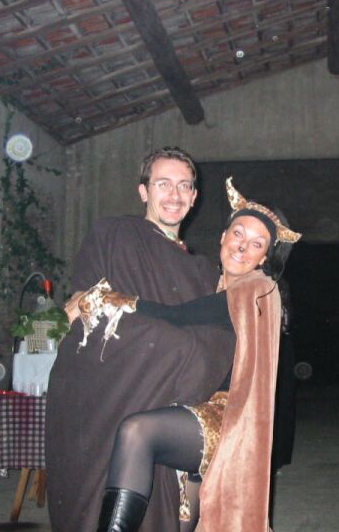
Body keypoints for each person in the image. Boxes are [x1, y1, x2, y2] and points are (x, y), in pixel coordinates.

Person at [67, 178, 301, 532]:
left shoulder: (256, 288)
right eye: (238, 234)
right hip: (199, 410)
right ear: (223, 237)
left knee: (138, 432)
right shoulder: (217, 285)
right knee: (183, 520)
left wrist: (110, 298)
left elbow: (177, 316)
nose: (242, 247)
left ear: (264, 258)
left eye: (256, 244)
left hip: (228, 421)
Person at [45, 147, 237, 532]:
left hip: (173, 407)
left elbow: (221, 343)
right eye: (163, 184)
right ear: (143, 191)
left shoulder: (203, 271)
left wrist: (183, 350)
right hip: (114, 391)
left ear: (194, 197)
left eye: (184, 186)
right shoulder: (113, 234)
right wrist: (175, 347)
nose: (174, 195)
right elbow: (88, 308)